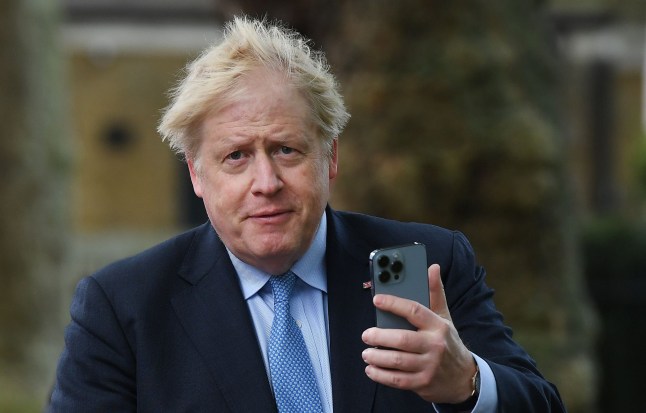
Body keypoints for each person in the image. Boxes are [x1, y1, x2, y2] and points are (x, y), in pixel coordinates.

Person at [47, 16, 566, 413]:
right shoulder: (124, 307)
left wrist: (467, 382)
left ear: (330, 157)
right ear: (196, 176)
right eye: (236, 157)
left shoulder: (428, 265)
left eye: (287, 150)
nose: (266, 183)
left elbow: (542, 402)